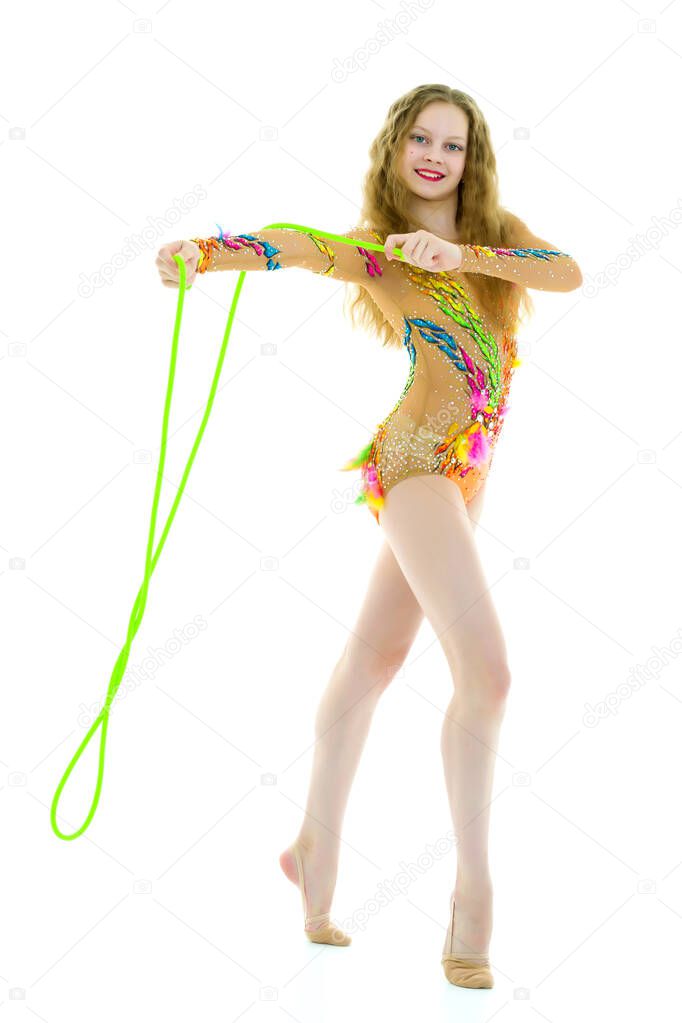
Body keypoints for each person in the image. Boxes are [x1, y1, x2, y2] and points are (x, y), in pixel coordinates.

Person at [156, 83, 582, 989]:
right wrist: (208, 252)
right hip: (417, 464)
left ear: (474, 159)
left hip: (469, 476)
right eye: (420, 139)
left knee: (372, 662)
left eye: (454, 144)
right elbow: (297, 244)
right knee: (491, 670)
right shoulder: (379, 251)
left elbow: (567, 270)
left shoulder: (496, 239)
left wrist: (464, 248)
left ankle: (313, 848)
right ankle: (475, 894)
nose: (436, 155)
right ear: (395, 149)